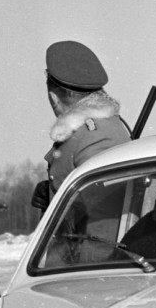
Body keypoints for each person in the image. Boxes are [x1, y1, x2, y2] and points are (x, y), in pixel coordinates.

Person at [31, 40, 131, 212]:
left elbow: (103, 207)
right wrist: (52, 194)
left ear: (54, 98)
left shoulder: (95, 137)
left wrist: (60, 203)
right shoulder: (95, 129)